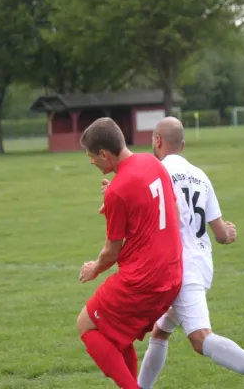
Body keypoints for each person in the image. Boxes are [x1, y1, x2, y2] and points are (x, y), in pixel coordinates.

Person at [133, 116, 244, 388]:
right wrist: (230, 232)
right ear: (182, 144)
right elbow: (221, 234)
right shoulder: (201, 176)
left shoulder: (157, 172)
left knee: (200, 338)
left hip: (180, 267)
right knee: (160, 331)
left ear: (157, 140)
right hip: (201, 263)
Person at [76, 117, 183, 389]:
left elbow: (112, 251)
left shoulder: (118, 192)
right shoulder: (152, 162)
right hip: (172, 275)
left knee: (86, 324)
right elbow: (154, 202)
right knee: (116, 337)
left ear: (104, 153)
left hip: (144, 280)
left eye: (91, 156)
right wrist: (115, 193)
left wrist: (95, 269)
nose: (91, 162)